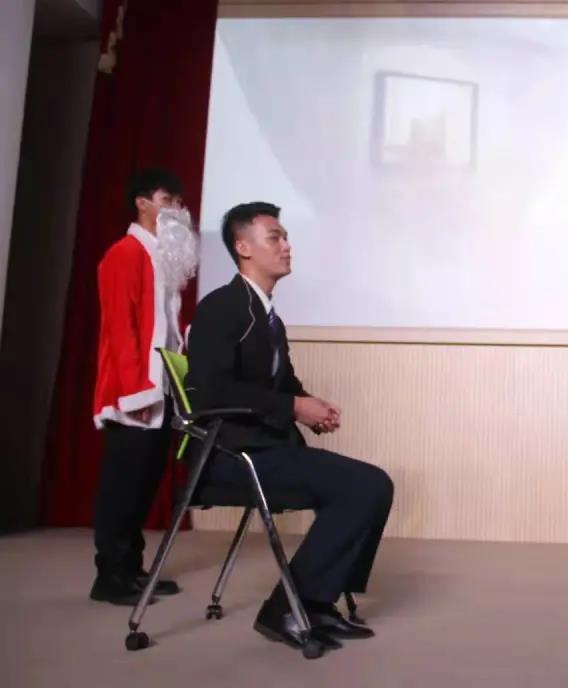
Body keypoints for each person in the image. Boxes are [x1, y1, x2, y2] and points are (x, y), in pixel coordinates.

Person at [185, 201, 394, 652]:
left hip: (268, 447)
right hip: (231, 456)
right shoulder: (221, 308)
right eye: (274, 237)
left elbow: (282, 385)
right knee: (363, 487)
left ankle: (315, 604)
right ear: (243, 247)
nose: (287, 246)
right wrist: (293, 407)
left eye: (286, 237)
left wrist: (309, 405)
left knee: (374, 485)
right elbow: (211, 391)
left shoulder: (267, 316)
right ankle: (287, 608)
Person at [91, 167, 199, 605]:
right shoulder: (124, 253)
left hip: (162, 387)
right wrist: (135, 392)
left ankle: (131, 569)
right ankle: (110, 577)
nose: (176, 208)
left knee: (144, 483)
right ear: (142, 203)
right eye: (167, 199)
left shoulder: (162, 258)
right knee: (122, 485)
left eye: (178, 201)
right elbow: (121, 330)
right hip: (133, 390)